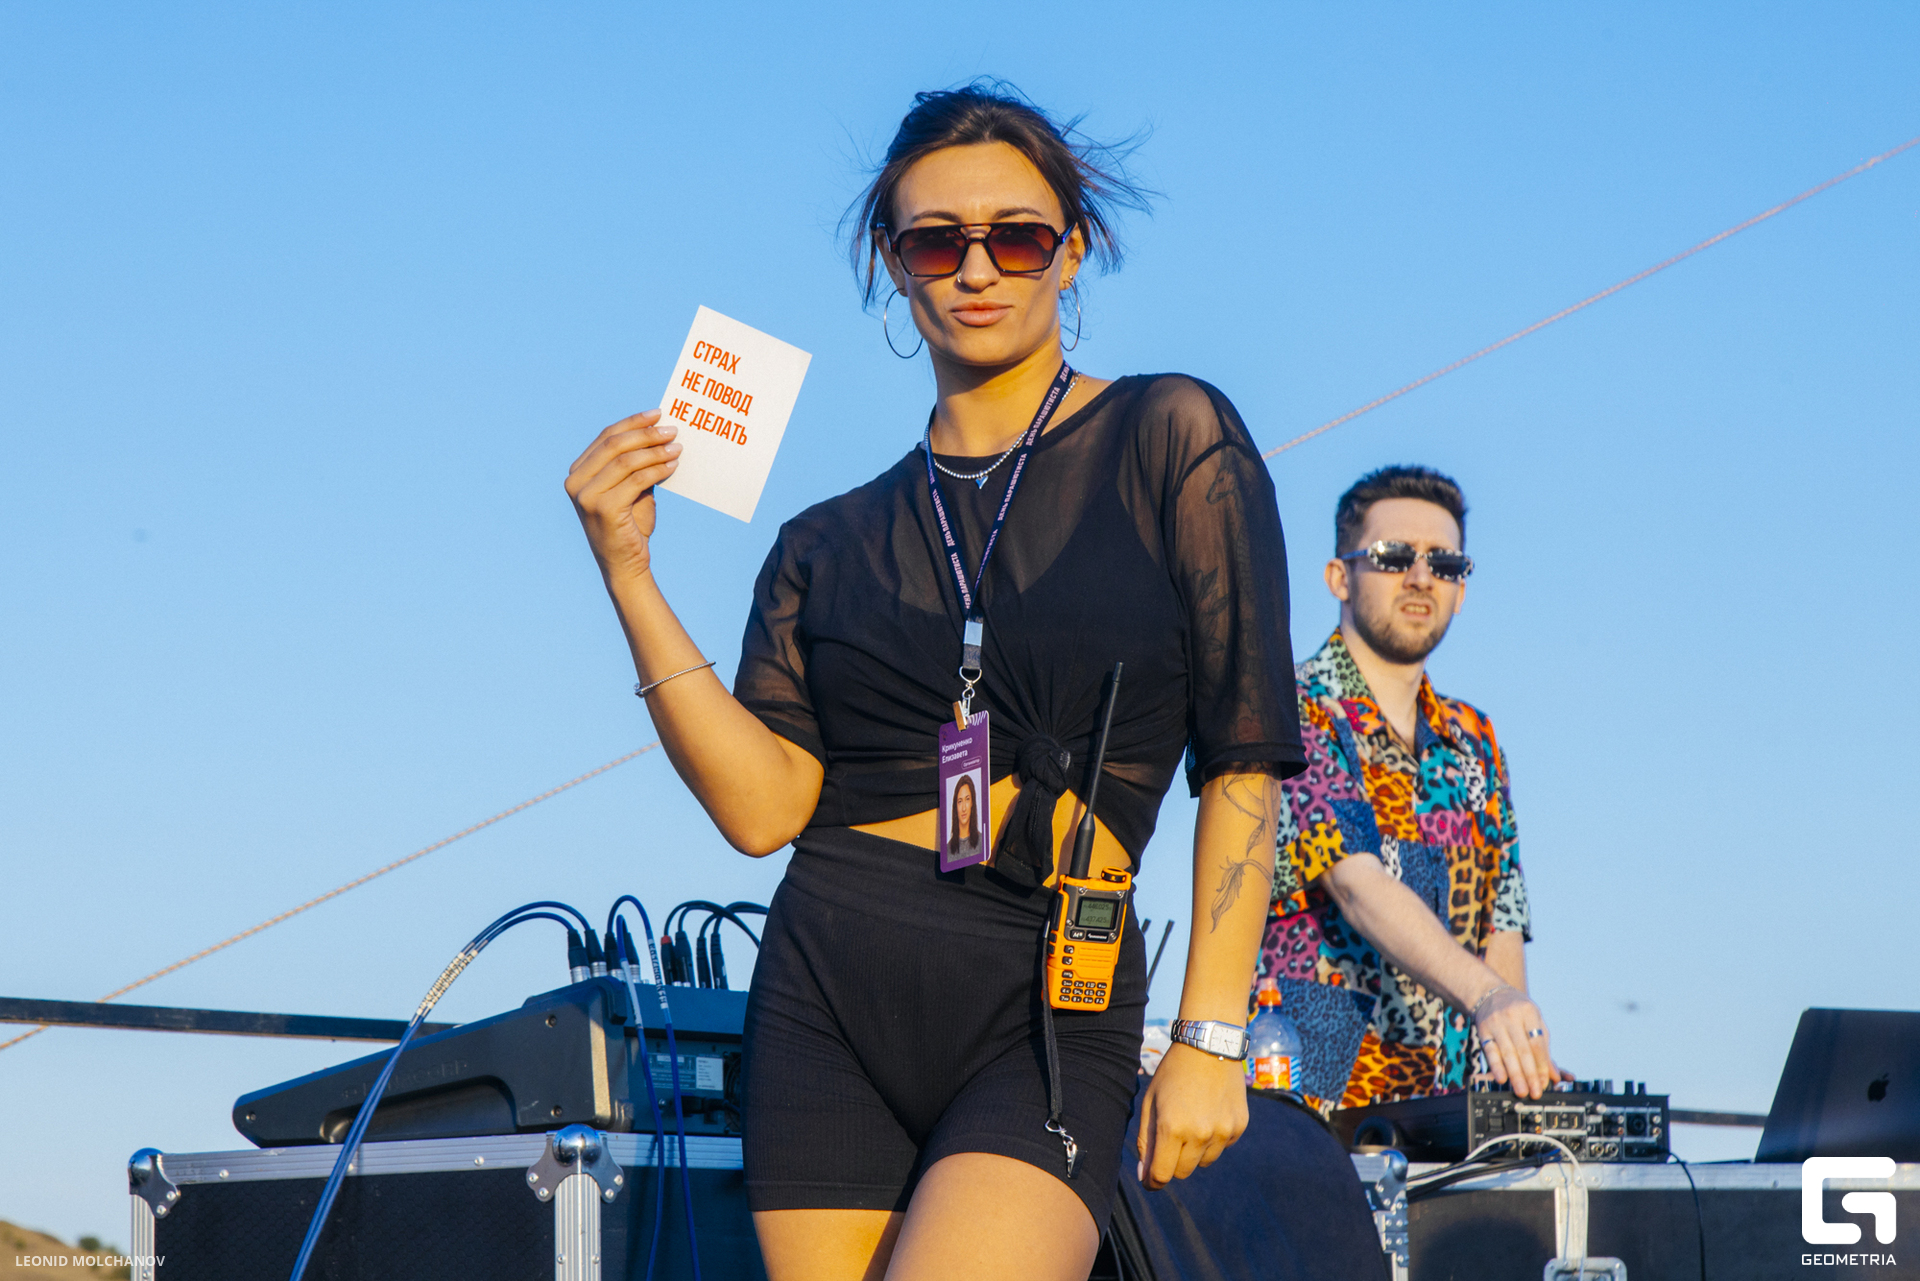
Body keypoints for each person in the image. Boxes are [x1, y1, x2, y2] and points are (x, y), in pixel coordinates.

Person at [568, 82, 1303, 1281]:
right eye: (934, 242)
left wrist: (1211, 1034)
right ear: (891, 264)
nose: (976, 268)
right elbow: (762, 811)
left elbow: (1246, 752)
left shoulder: (1172, 436)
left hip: (1048, 993)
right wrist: (628, 574)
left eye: (1017, 236)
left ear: (1072, 250)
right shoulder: (823, 540)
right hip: (827, 993)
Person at [1256, 465, 1565, 1113]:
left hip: (1449, 1111)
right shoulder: (1293, 706)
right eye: (1394, 556)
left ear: (1461, 591)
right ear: (1339, 576)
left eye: (1444, 563)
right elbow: (1356, 883)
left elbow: (1501, 922)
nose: (1421, 576)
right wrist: (1488, 996)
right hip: (1317, 1102)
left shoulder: (1476, 738)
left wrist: (1520, 1062)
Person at [947, 772, 983, 864]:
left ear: (972, 803)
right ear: (955, 806)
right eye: (960, 801)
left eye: (967, 799)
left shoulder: (982, 841)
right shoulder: (947, 849)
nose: (964, 808)